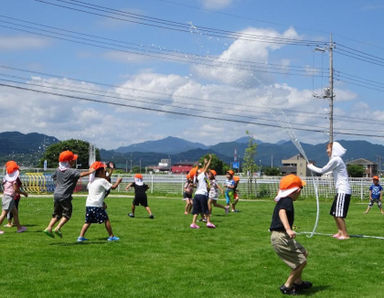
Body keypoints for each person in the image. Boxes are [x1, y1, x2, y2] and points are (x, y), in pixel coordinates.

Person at [270, 174, 312, 295]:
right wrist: (288, 229)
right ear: (297, 190)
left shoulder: (284, 199)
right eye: (300, 189)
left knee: (303, 253)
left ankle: (298, 282)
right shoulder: (287, 200)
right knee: (301, 262)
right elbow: (282, 212)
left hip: (281, 236)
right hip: (281, 237)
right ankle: (287, 286)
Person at [43, 150, 95, 238]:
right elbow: (81, 174)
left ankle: (49, 227)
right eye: (73, 159)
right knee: (67, 214)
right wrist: (90, 171)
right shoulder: (71, 171)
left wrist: (60, 184)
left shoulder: (57, 170)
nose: (74, 161)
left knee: (57, 214)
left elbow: (54, 177)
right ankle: (58, 228)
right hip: (65, 195)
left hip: (56, 195)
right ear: (69, 161)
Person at [307, 142, 352, 240]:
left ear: (333, 149)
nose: (327, 151)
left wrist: (311, 166)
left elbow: (323, 170)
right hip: (340, 190)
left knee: (339, 214)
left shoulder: (336, 160)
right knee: (334, 213)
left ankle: (345, 234)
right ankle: (340, 232)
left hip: (343, 190)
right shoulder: (336, 160)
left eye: (328, 148)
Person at [77, 161, 122, 242]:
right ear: (100, 172)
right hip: (97, 205)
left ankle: (80, 237)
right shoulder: (102, 181)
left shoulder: (91, 182)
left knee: (88, 221)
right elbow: (113, 187)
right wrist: (118, 182)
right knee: (106, 219)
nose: (105, 173)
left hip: (89, 205)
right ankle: (111, 236)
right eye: (104, 172)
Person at [0, 161, 27, 234]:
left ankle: (19, 228)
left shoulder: (5, 178)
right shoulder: (14, 180)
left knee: (15, 213)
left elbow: (3, 186)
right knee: (3, 213)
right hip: (9, 198)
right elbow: (16, 189)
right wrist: (23, 193)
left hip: (7, 196)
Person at [190, 155, 216, 229]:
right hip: (202, 195)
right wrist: (210, 160)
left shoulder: (197, 177)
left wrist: (204, 163)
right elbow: (206, 168)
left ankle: (193, 223)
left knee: (196, 210)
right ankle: (208, 222)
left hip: (196, 195)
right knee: (206, 210)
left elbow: (204, 169)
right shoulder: (202, 175)